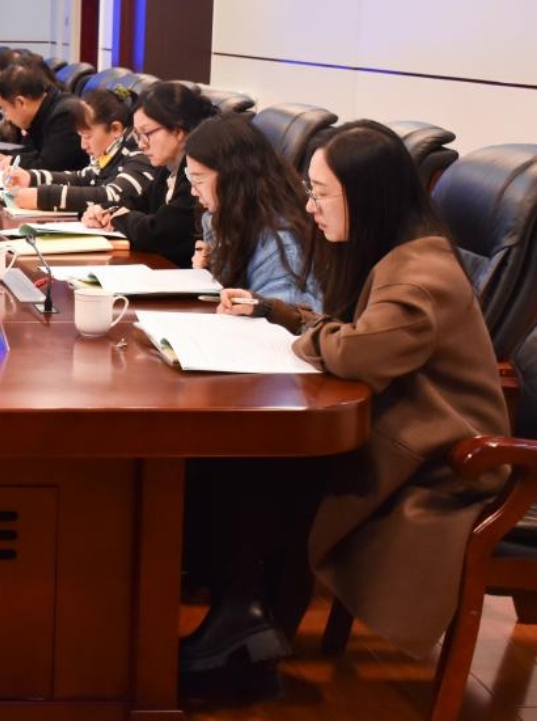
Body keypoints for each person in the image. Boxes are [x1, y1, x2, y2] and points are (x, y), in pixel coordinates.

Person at [184, 121, 508, 698]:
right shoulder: (400, 254)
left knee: (262, 469)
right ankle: (243, 620)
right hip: (404, 437)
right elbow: (353, 330)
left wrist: (309, 337)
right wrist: (278, 313)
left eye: (321, 194)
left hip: (444, 466)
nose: (309, 207)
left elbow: (357, 351)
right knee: (248, 466)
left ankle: (246, 629)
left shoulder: (419, 274)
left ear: (366, 196)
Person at [184, 115, 320, 306]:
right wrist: (209, 270)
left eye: (198, 179)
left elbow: (280, 317)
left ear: (233, 177)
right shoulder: (225, 215)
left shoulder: (279, 243)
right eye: (190, 178)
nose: (193, 190)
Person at [82, 82, 214, 267]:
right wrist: (104, 210)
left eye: (146, 133)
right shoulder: (167, 167)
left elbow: (160, 233)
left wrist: (119, 218)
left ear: (177, 131)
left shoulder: (197, 173)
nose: (141, 144)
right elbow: (140, 202)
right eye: (137, 135)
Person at [6, 87, 155, 213]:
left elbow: (113, 196)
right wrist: (31, 178)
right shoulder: (112, 152)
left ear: (115, 129)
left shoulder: (141, 154)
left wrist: (43, 197)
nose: (83, 145)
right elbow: (83, 178)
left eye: (88, 136)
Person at [0, 58, 88, 174]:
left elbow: (47, 168)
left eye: (5, 109)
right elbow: (30, 154)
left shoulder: (64, 116)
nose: (7, 117)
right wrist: (6, 159)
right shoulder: (40, 112)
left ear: (21, 103)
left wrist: (11, 161)